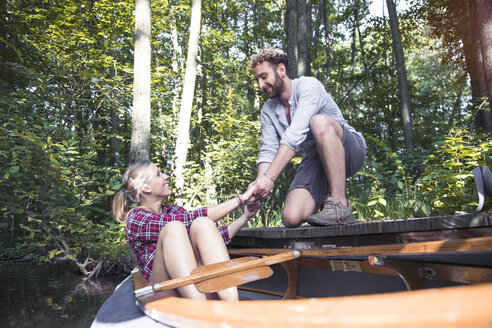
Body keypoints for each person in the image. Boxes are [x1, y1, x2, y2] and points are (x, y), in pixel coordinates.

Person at [248, 48, 366, 228]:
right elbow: (268, 151)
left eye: (264, 76)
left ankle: (340, 204)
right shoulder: (268, 110)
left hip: (349, 150)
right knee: (291, 217)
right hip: (316, 159)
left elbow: (295, 135)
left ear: (281, 70)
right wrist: (258, 185)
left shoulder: (309, 86)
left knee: (318, 122)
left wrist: (270, 179)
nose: (260, 85)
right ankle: (327, 201)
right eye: (257, 79)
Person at [112, 160, 260, 301]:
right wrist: (242, 199)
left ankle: (232, 303)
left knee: (202, 224)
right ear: (146, 188)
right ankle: (200, 310)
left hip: (190, 287)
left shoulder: (174, 210)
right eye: (158, 174)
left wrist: (245, 216)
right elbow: (187, 221)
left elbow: (214, 237)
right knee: (175, 227)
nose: (166, 176)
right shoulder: (137, 218)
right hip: (163, 291)